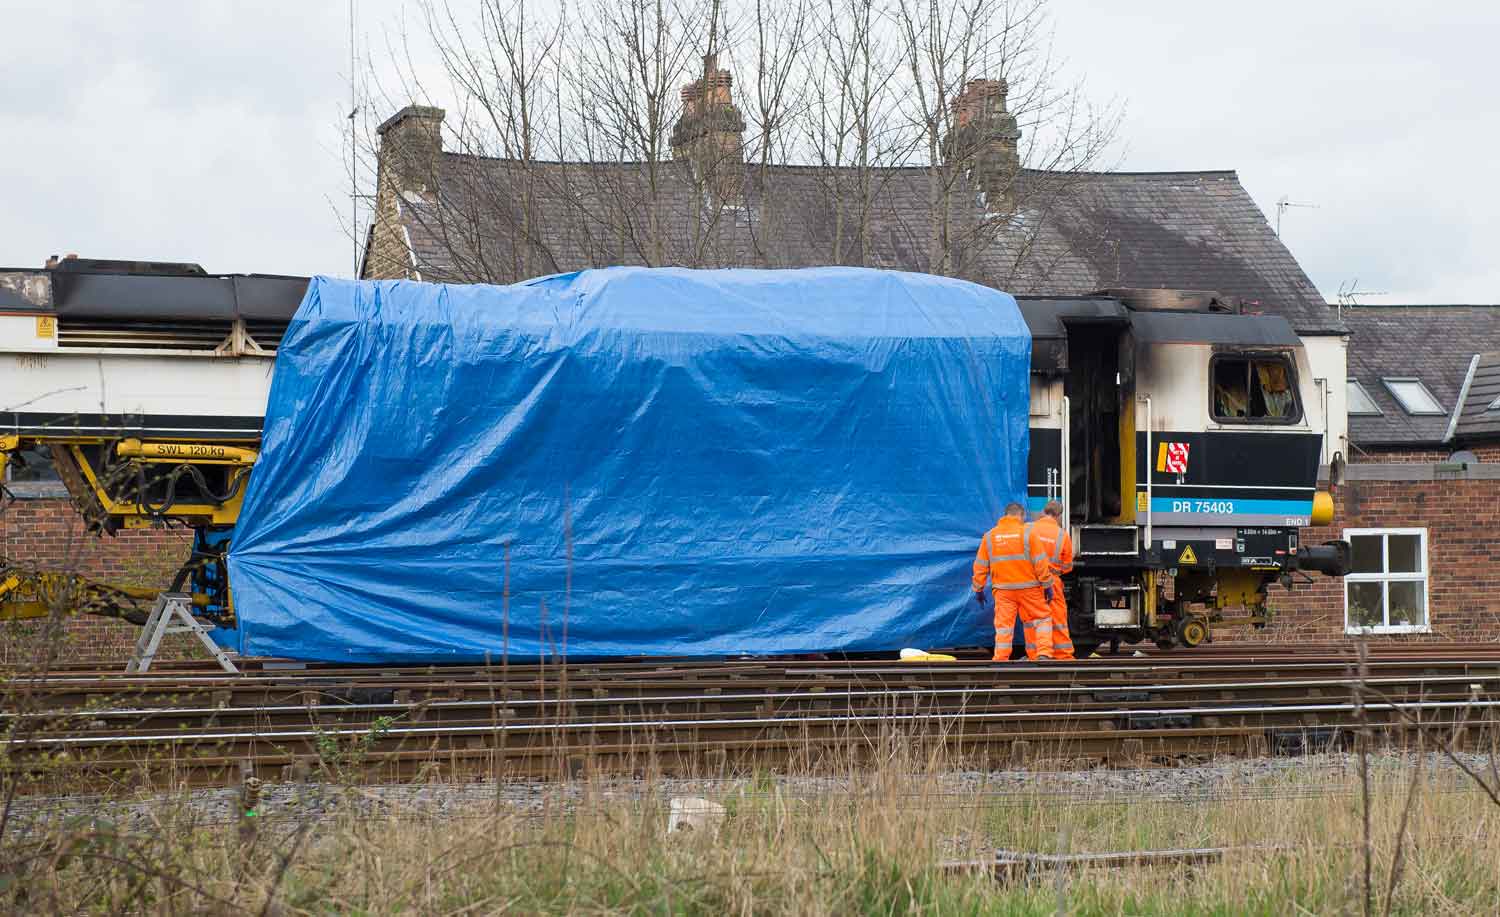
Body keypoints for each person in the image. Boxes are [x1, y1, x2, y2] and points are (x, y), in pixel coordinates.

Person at [971, 502, 1054, 661]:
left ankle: (1001, 660)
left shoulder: (990, 537)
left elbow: (980, 566)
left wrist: (978, 589)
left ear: (1006, 515)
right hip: (1029, 589)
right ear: (1021, 515)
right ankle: (1043, 653)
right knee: (1042, 618)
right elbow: (1040, 563)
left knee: (1004, 627)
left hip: (1003, 591)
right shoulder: (1028, 534)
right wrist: (1047, 585)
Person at [1031, 500, 1075, 660]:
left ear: (1044, 512)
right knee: (1057, 618)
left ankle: (1036, 654)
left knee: (1034, 618)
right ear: (1058, 516)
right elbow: (1068, 566)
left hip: (1031, 580)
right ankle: (1063, 655)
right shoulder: (1062, 535)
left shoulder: (1029, 529)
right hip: (1052, 581)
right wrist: (1056, 570)